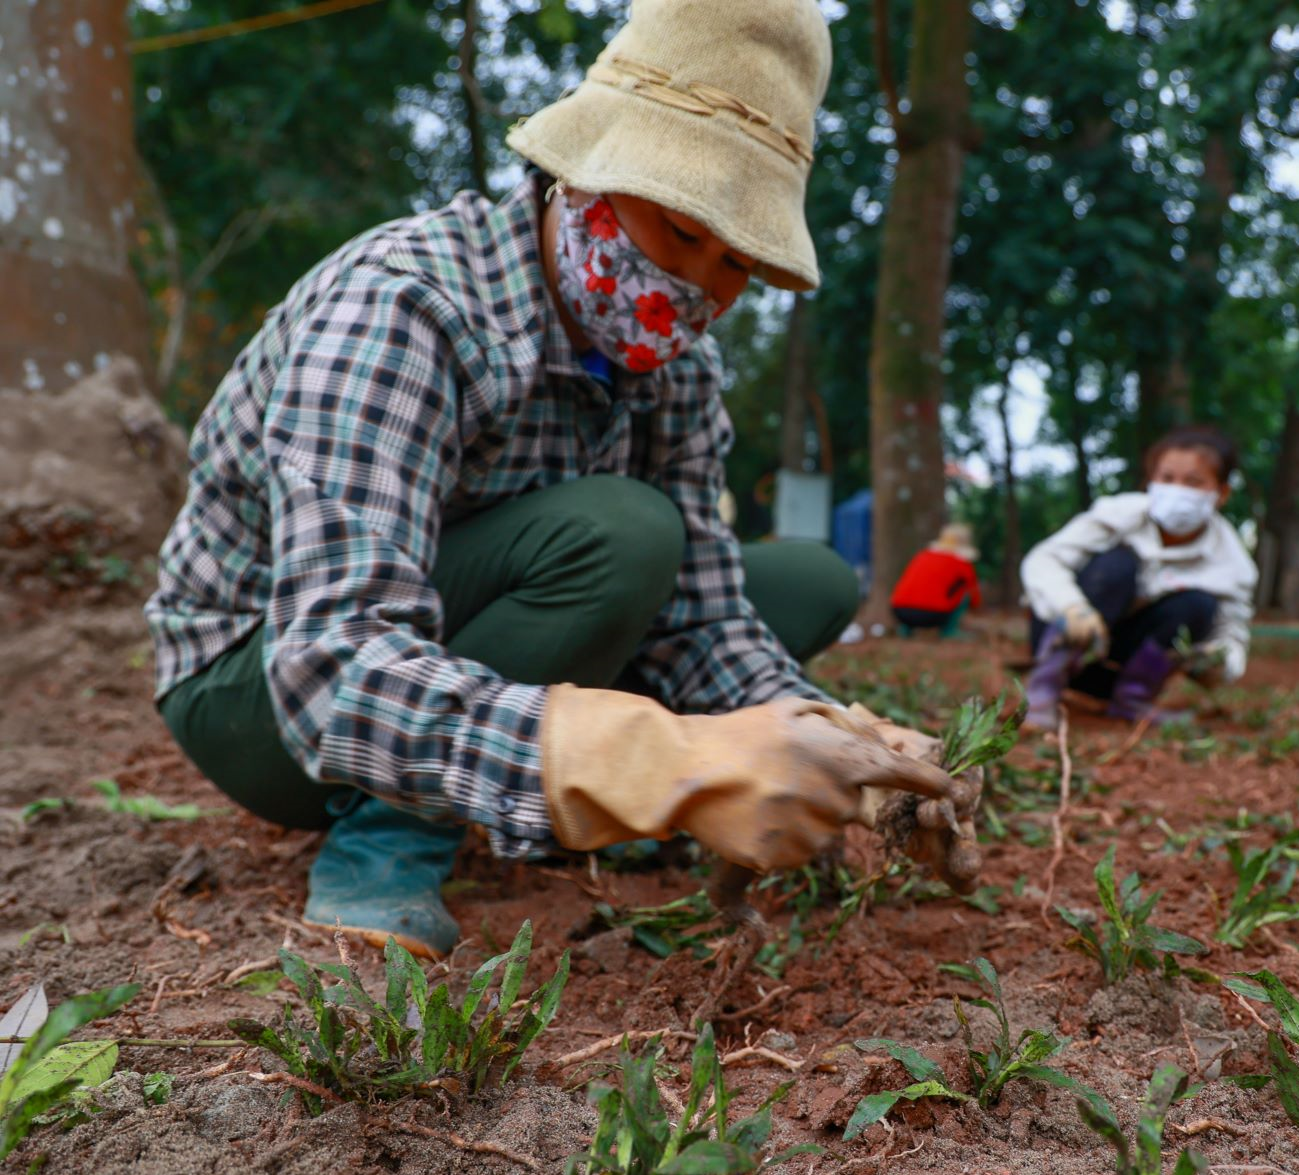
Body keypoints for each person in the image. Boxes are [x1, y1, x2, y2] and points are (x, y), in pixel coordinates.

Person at [143, 0, 969, 959]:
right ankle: (392, 834)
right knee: (624, 533)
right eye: (678, 229)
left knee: (808, 583)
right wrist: (674, 767)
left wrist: (844, 752)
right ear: (588, 173)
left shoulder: (679, 370)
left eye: (737, 261)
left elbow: (703, 617)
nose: (695, 285)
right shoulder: (405, 305)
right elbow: (328, 664)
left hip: (480, 622)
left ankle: (569, 779)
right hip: (264, 683)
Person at [1020, 426, 1257, 730]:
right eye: (1167, 478)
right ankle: (1042, 691)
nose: (1177, 490)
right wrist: (1071, 606)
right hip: (1063, 640)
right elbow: (1043, 560)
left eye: (1194, 482)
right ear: (1151, 481)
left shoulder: (1233, 563)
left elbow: (1232, 632)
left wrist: (1219, 662)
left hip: (1120, 670)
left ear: (1221, 493)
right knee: (1117, 565)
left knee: (1200, 604)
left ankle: (1132, 701)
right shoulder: (1117, 516)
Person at [889, 524, 983, 638]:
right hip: (933, 615)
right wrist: (976, 606)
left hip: (899, 612)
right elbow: (973, 592)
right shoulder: (962, 563)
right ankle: (949, 631)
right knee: (964, 592)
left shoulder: (922, 556)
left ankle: (905, 629)